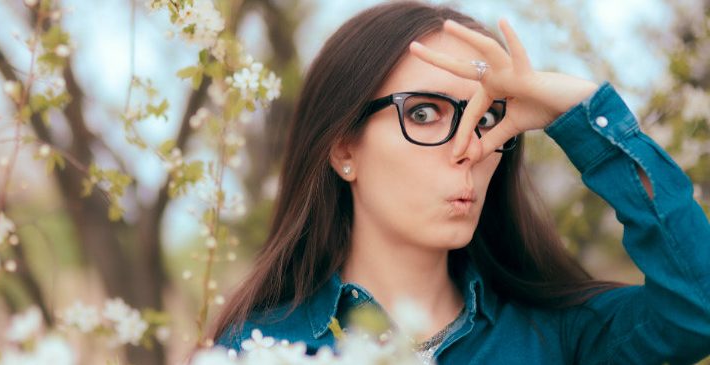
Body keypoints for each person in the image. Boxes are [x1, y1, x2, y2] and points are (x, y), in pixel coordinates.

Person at [208, 1, 710, 364]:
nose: (468, 147)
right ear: (344, 150)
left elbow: (697, 310)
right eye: (424, 113)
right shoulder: (260, 348)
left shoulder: (558, 337)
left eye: (486, 120)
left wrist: (577, 111)